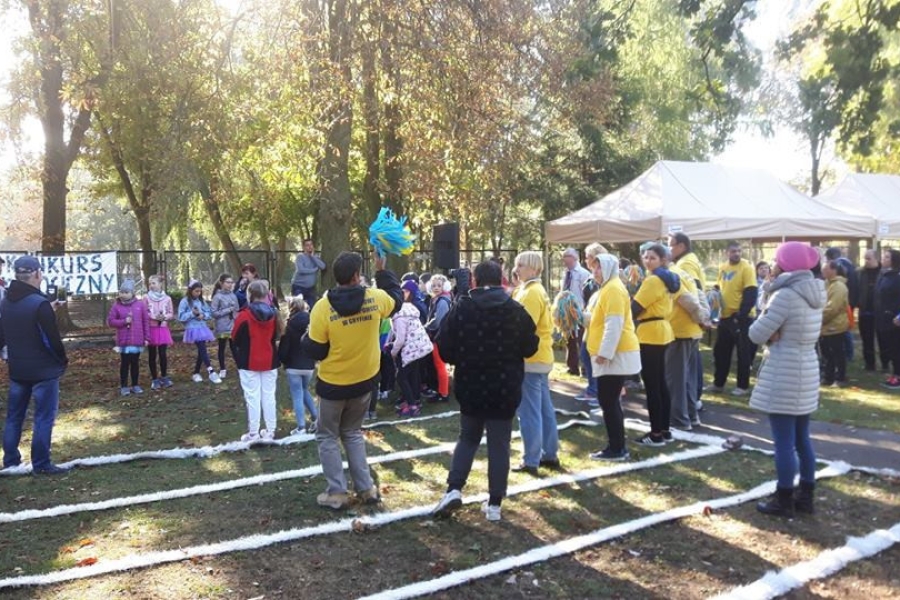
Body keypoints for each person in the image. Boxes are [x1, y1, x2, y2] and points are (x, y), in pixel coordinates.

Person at [431, 260, 539, 521]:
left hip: (471, 383)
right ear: (501, 279)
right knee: (499, 443)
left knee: (467, 437)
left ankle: (454, 488)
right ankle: (494, 504)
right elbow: (530, 346)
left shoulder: (461, 309)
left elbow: (444, 346)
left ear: (475, 280)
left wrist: (462, 358)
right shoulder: (515, 310)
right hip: (505, 385)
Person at [301, 251, 402, 510]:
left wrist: (304, 337)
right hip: (364, 382)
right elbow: (397, 299)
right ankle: (366, 488)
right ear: (357, 276)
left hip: (333, 384)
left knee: (327, 436)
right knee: (353, 433)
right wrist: (382, 270)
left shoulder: (323, 307)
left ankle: (336, 493)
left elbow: (316, 349)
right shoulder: (375, 298)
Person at [748, 241, 824, 517]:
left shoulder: (785, 296)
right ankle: (806, 495)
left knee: (783, 442)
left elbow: (756, 333)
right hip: (806, 367)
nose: (772, 264)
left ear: (786, 265)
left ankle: (783, 498)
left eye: (776, 259)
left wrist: (770, 328)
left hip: (784, 369)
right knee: (802, 438)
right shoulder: (814, 291)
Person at [0, 256, 70, 474]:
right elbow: (52, 340)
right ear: (37, 274)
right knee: (43, 417)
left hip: (18, 369)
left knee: (14, 416)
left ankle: (10, 460)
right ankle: (41, 463)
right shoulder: (39, 304)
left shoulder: (5, 302)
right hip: (43, 370)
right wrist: (61, 360)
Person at [585, 253, 641, 461]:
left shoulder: (614, 289)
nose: (594, 272)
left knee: (608, 400)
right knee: (609, 400)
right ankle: (616, 446)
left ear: (608, 268)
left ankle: (617, 448)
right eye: (594, 268)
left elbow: (614, 324)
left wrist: (604, 353)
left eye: (598, 268)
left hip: (616, 354)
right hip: (613, 353)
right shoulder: (608, 288)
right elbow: (601, 318)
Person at [511, 250, 560, 475]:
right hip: (540, 356)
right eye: (517, 264)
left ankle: (531, 459)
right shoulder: (529, 289)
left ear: (534, 268)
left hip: (530, 358)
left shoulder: (531, 292)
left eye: (521, 265)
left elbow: (521, 327)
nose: (517, 268)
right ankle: (549, 453)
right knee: (543, 408)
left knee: (529, 410)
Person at [632, 243, 679, 446]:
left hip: (651, 332)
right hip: (661, 330)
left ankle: (656, 434)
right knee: (660, 383)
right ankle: (664, 430)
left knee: (653, 385)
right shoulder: (666, 278)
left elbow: (635, 308)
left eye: (652, 257)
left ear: (662, 260)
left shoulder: (653, 280)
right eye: (646, 257)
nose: (648, 260)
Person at [232, 280, 281, 442]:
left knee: (252, 397)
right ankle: (271, 430)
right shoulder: (274, 314)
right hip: (269, 359)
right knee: (269, 396)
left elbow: (235, 338)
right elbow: (275, 336)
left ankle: (253, 432)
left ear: (250, 295)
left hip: (248, 360)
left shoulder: (244, 316)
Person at [711, 241, 758, 396]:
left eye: (739, 251)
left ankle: (742, 386)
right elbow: (720, 286)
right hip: (724, 317)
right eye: (733, 251)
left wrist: (740, 314)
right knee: (720, 352)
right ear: (727, 252)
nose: (736, 253)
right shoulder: (723, 267)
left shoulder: (746, 268)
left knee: (743, 353)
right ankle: (718, 384)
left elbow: (751, 293)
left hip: (741, 318)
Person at [666, 263, 709, 429]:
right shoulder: (682, 272)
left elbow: (687, 298)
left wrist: (701, 317)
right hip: (690, 331)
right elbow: (699, 293)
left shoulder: (669, 274)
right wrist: (703, 317)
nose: (647, 261)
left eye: (651, 257)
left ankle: (680, 419)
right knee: (687, 379)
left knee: (676, 379)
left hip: (680, 332)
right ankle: (691, 416)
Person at [389, 280, 435, 417]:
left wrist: (393, 352)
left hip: (412, 349)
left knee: (401, 377)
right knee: (414, 375)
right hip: (420, 347)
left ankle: (412, 406)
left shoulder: (399, 316)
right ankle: (416, 400)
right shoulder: (408, 310)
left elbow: (401, 338)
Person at [278, 296, 319, 435]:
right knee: (304, 389)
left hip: (293, 365)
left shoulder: (289, 325)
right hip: (309, 365)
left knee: (297, 395)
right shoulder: (313, 322)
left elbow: (284, 347)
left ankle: (301, 427)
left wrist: (281, 360)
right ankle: (316, 417)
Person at [575, 243, 607, 403]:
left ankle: (596, 391)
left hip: (598, 326)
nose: (585, 260)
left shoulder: (601, 280)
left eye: (588, 257)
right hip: (590, 324)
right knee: (586, 355)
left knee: (590, 357)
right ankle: (593, 389)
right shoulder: (592, 278)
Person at [107, 278, 150, 396]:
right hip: (124, 341)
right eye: (121, 292)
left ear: (132, 293)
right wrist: (124, 321)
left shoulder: (140, 305)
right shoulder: (116, 306)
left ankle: (135, 385)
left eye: (126, 292)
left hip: (137, 340)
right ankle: (124, 386)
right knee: (125, 363)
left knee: (135, 363)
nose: (123, 294)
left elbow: (145, 321)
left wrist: (147, 338)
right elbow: (110, 321)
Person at [178, 280, 222, 384]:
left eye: (199, 291)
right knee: (202, 348)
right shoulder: (184, 301)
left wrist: (203, 316)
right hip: (192, 329)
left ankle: (196, 372)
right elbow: (181, 317)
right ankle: (211, 371)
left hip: (202, 328)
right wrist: (192, 314)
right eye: (196, 291)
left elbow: (208, 313)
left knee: (201, 351)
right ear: (190, 290)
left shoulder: (201, 301)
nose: (198, 293)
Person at [561, 247, 591, 375]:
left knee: (582, 339)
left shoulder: (583, 273)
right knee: (570, 339)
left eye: (568, 261)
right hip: (567, 311)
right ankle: (572, 367)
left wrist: (584, 309)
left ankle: (585, 367)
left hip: (579, 310)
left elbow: (586, 293)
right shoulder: (565, 273)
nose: (566, 264)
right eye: (564, 262)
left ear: (575, 259)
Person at [820, 260, 849, 387]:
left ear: (833, 270)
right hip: (825, 326)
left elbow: (832, 308)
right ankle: (828, 377)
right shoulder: (826, 284)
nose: (823, 271)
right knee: (827, 353)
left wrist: (819, 319)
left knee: (837, 353)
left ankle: (840, 378)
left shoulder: (839, 286)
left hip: (835, 326)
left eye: (825, 269)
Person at [424, 274, 452, 402]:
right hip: (437, 336)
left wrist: (426, 327)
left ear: (444, 286)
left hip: (439, 338)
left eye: (439, 285)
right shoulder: (436, 299)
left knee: (440, 365)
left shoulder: (442, 301)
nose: (436, 288)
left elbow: (438, 320)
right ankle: (441, 391)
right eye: (434, 285)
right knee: (438, 365)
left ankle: (444, 393)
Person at [875, 249, 900, 389]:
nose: (883, 259)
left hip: (895, 320)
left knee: (897, 348)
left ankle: (898, 376)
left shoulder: (897, 277)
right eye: (883, 256)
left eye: (887, 257)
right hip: (883, 318)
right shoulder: (884, 275)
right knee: (889, 348)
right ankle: (894, 373)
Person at [146, 274, 174, 390]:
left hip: (162, 329)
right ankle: (154, 379)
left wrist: (165, 317)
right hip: (151, 329)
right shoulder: (146, 298)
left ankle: (164, 377)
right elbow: (144, 312)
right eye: (150, 283)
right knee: (152, 355)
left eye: (154, 283)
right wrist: (154, 316)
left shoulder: (167, 298)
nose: (151, 286)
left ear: (160, 284)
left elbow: (171, 313)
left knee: (163, 354)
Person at [856, 249, 882, 371]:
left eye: (868, 258)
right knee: (866, 339)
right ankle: (869, 364)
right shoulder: (860, 272)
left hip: (881, 313)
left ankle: (885, 363)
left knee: (883, 339)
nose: (866, 261)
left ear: (876, 259)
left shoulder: (883, 273)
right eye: (864, 258)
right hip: (865, 311)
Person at [211, 273, 240, 379]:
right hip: (222, 326)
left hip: (233, 325)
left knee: (234, 347)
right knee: (222, 347)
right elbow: (214, 313)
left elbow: (237, 310)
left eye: (231, 282)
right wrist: (228, 310)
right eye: (228, 282)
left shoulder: (233, 295)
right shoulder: (217, 297)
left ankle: (240, 367)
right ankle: (222, 369)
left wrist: (236, 318)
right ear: (221, 283)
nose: (230, 284)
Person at [291, 239, 327, 306]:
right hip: (298, 287)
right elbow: (301, 270)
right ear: (304, 247)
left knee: (312, 308)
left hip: (310, 289)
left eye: (311, 245)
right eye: (307, 245)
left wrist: (312, 257)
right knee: (297, 308)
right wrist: (314, 270)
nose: (310, 247)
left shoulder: (315, 258)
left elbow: (323, 267)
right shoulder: (300, 256)